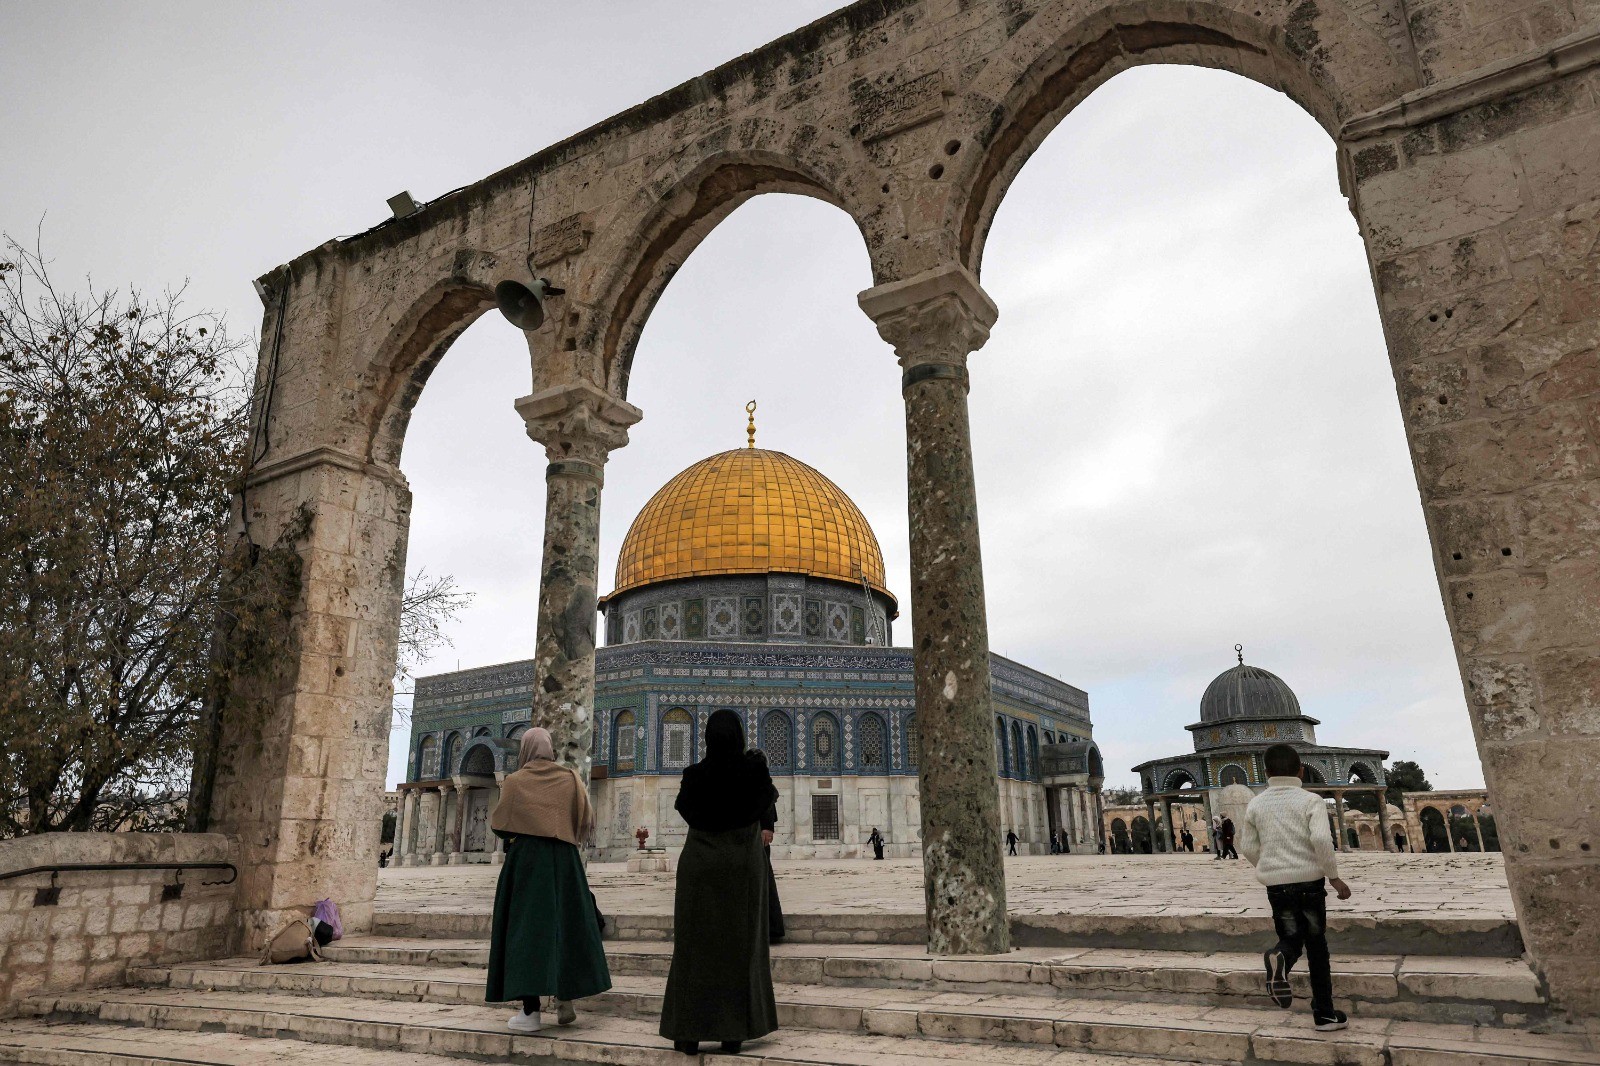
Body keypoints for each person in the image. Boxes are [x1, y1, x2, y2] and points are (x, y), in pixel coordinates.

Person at [660, 710, 779, 1055]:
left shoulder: (694, 775)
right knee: (740, 947)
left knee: (693, 949)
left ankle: (688, 1034)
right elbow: (764, 801)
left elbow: (685, 807)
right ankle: (733, 1034)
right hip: (742, 866)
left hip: (699, 866)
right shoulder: (753, 771)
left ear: (707, 737)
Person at [486, 728, 611, 1033]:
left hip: (528, 863)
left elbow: (500, 825)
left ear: (526, 750)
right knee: (565, 925)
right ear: (551, 749)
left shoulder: (515, 782)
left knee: (527, 931)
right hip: (564, 861)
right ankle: (565, 994)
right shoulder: (569, 779)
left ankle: (530, 1013)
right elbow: (585, 820)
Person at [1240, 743, 1353, 1033]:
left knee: (1290, 938)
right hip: (1310, 885)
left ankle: (1281, 957)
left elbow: (1248, 846)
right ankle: (1324, 1014)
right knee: (1316, 946)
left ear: (1265, 773)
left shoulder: (1256, 803)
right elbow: (1321, 841)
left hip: (1277, 887)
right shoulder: (1310, 800)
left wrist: (1269, 867)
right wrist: (1334, 877)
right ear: (1301, 770)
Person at [749, 748, 786, 944]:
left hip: (756, 840)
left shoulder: (761, 784)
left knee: (761, 881)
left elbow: (767, 806)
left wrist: (767, 827)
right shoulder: (749, 781)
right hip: (748, 840)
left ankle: (769, 928)